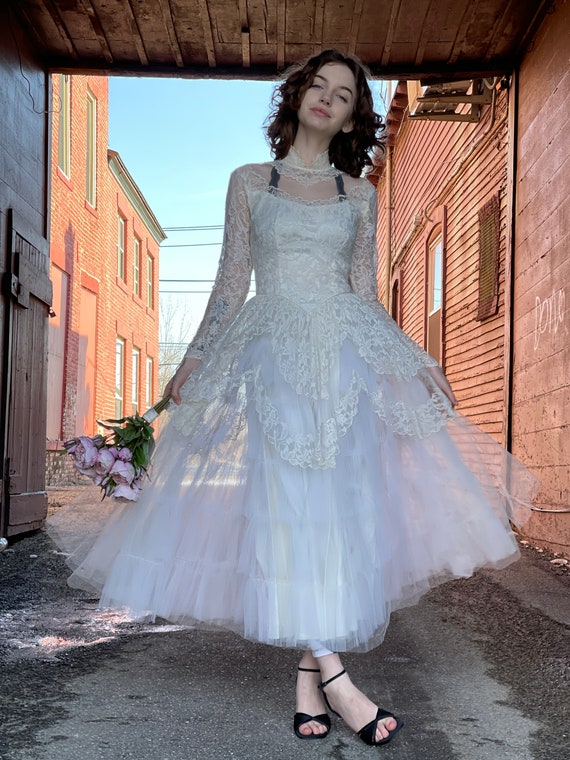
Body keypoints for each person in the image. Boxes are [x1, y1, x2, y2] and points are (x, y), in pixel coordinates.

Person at [50, 49, 538, 748]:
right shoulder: (249, 182)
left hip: (345, 369)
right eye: (320, 85)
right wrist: (190, 364)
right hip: (273, 362)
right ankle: (339, 681)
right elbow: (229, 283)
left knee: (337, 518)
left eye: (344, 95)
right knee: (288, 513)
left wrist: (418, 357)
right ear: (298, 95)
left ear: (350, 118)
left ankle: (310, 681)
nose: (328, 99)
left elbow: (365, 298)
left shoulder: (359, 195)